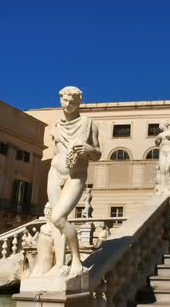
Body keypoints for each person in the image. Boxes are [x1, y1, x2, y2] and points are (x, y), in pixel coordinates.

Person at [47, 86, 101, 277]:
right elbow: (56, 152)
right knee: (55, 222)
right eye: (65, 101)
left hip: (75, 175)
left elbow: (97, 154)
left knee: (58, 218)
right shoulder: (56, 126)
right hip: (54, 172)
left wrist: (88, 148)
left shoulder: (88, 124)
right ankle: (59, 265)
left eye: (73, 102)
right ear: (60, 99)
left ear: (79, 103)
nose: (68, 105)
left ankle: (77, 261)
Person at [155, 122, 170, 195]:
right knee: (162, 170)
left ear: (164, 125)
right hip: (162, 150)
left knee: (167, 169)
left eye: (160, 124)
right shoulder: (160, 134)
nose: (159, 126)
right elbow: (157, 144)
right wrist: (157, 139)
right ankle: (162, 189)